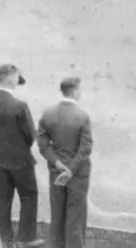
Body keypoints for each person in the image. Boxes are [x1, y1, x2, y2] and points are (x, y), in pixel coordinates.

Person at [0, 63, 39, 245]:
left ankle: (6, 239)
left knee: (3, 200)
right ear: (10, 79)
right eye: (16, 78)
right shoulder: (19, 106)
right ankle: (25, 238)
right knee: (29, 197)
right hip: (20, 160)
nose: (17, 81)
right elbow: (30, 136)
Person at [37, 75, 94, 248]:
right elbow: (85, 149)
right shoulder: (82, 116)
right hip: (77, 174)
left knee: (57, 213)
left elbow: (42, 143)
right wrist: (70, 169)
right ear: (75, 91)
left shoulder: (48, 113)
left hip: (56, 170)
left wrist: (57, 163)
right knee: (75, 215)